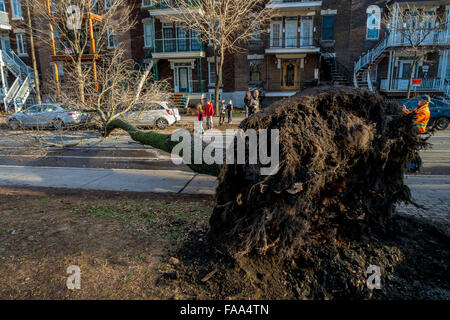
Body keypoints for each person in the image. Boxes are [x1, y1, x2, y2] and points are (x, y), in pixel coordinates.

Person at [401, 95, 431, 173]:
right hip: (413, 131)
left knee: (412, 150)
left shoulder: (425, 111)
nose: (418, 101)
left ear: (425, 101)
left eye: (420, 100)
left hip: (416, 133)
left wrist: (406, 115)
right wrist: (405, 110)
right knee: (410, 149)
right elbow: (411, 114)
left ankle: (413, 166)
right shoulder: (419, 108)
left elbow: (414, 118)